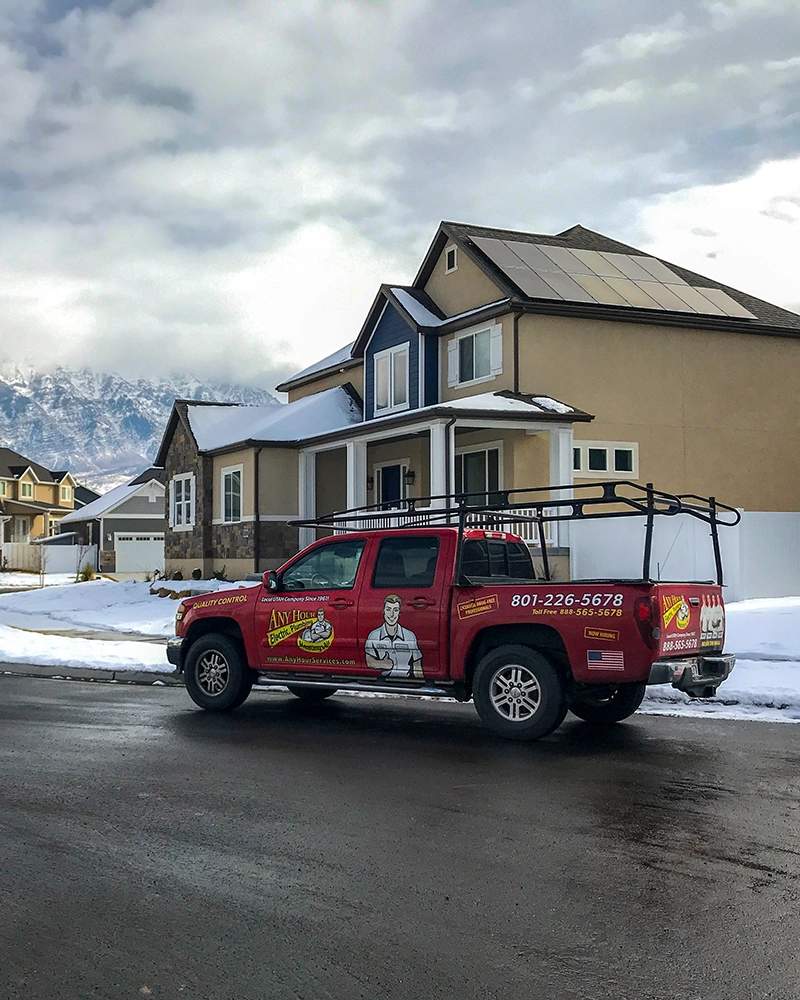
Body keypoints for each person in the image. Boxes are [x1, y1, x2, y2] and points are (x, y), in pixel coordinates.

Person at [364, 594, 423, 680]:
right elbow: (369, 661)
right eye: (388, 609)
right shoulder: (374, 635)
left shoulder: (410, 636)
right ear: (383, 611)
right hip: (382, 682)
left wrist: (421, 682)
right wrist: (382, 664)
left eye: (395, 610)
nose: (391, 614)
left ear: (399, 613)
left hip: (408, 681)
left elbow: (417, 666)